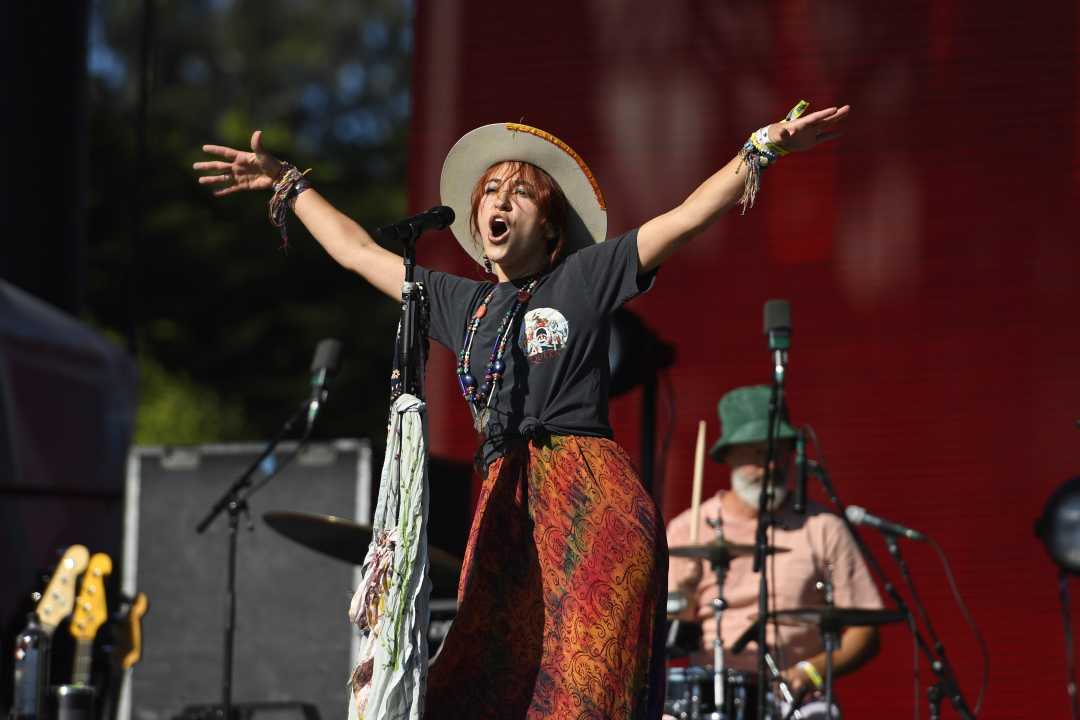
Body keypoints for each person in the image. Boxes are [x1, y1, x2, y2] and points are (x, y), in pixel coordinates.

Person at [195, 104, 850, 719]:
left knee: (585, 689)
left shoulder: (586, 276)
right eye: (488, 191)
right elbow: (358, 252)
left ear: (552, 224)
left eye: (520, 191)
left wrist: (760, 149)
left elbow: (683, 218)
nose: (498, 199)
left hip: (593, 502)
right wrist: (289, 184)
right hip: (507, 511)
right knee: (474, 692)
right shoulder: (461, 302)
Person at [666, 385, 882, 708]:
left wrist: (812, 671)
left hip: (799, 697)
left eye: (779, 452)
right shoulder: (689, 528)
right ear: (728, 456)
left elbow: (865, 631)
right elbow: (664, 640)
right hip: (713, 695)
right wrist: (680, 597)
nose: (771, 465)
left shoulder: (824, 528)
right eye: (757, 453)